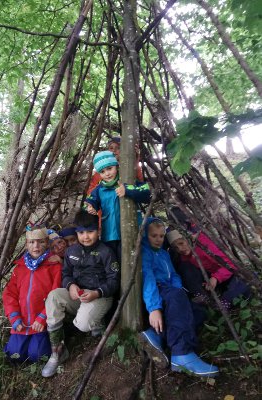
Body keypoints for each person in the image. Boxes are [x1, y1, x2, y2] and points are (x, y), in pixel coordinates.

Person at [41, 210, 120, 377]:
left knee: (82, 325)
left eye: (90, 231)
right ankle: (57, 352)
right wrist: (70, 286)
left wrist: (97, 293)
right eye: (81, 232)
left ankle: (98, 322)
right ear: (77, 233)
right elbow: (66, 273)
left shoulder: (106, 252)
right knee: (54, 296)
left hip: (100, 296)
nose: (86, 236)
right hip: (78, 295)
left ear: (98, 231)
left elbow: (114, 280)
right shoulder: (72, 252)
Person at [140, 217, 219, 377]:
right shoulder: (145, 253)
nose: (158, 239)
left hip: (172, 291)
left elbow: (174, 275)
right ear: (144, 236)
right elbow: (148, 280)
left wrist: (179, 290)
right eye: (153, 235)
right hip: (158, 291)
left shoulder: (164, 254)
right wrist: (154, 308)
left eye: (161, 236)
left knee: (198, 311)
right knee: (178, 298)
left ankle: (157, 335)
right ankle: (181, 353)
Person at [2, 224, 62, 363]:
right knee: (13, 355)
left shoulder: (53, 266)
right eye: (31, 242)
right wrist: (14, 317)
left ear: (47, 243)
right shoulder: (20, 268)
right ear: (26, 244)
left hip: (41, 323)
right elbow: (9, 293)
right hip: (21, 322)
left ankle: (58, 344)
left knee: (38, 356)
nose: (36, 246)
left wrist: (42, 317)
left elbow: (55, 294)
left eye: (41, 242)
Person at [85, 150, 150, 261]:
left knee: (132, 260)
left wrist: (128, 190)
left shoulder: (128, 180)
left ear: (116, 166)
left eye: (110, 168)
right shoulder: (99, 188)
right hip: (110, 232)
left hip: (130, 230)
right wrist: (90, 207)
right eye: (102, 171)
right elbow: (91, 200)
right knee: (113, 261)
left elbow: (146, 193)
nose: (107, 174)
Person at [167, 230, 250, 310]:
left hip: (228, 275)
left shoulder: (205, 243)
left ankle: (225, 302)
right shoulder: (186, 255)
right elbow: (190, 274)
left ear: (188, 238)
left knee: (244, 279)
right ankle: (202, 296)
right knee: (185, 267)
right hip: (211, 279)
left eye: (181, 243)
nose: (180, 249)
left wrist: (216, 278)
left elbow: (230, 265)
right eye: (176, 248)